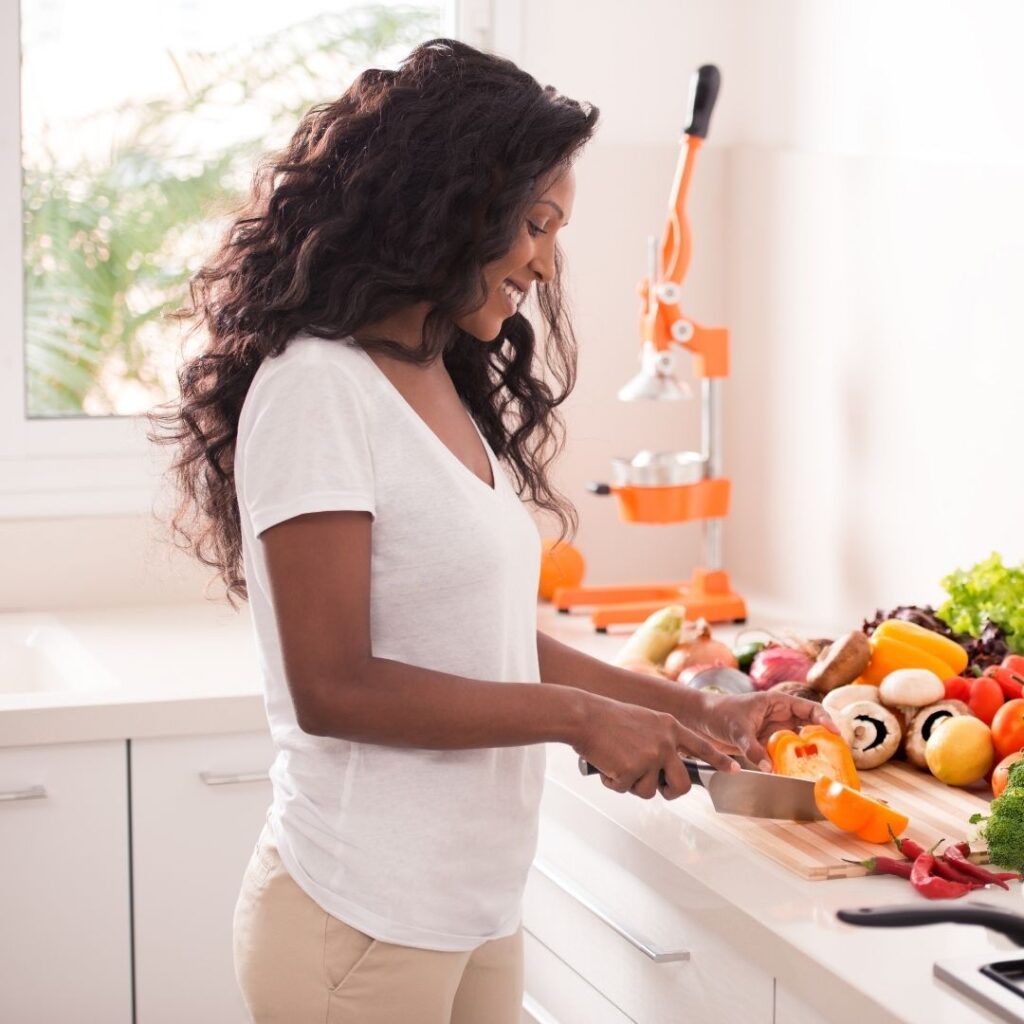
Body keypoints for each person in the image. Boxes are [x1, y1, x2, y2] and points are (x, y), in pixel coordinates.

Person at [148, 37, 836, 1024]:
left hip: (469, 907)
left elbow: (489, 642)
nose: (546, 264)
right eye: (535, 224)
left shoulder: (431, 374)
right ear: (452, 201)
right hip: (358, 926)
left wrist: (692, 712)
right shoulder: (315, 388)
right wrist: (579, 720)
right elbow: (332, 685)